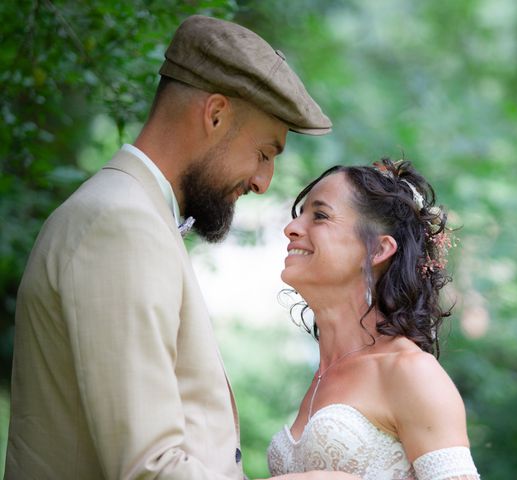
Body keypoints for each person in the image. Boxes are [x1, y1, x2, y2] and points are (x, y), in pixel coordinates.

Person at [5, 15, 332, 479]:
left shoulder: (129, 215)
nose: (263, 181)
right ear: (215, 114)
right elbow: (148, 469)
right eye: (264, 153)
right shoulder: (121, 225)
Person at [267, 158, 481, 479]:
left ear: (378, 250)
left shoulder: (410, 371)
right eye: (298, 215)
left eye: (320, 216)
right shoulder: (321, 375)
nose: (291, 228)